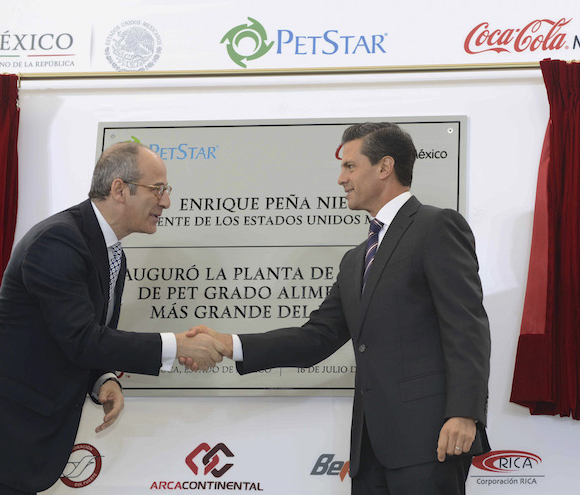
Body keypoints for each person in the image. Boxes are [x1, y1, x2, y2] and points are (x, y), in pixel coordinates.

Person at [187, 123, 491, 494]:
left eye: (349, 166)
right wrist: (228, 343)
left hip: (431, 440)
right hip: (369, 449)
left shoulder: (436, 226)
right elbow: (316, 338)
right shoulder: (355, 259)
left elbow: (466, 326)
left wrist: (464, 412)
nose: (340, 178)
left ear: (384, 167)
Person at [0, 142, 227, 495]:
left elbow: (81, 333)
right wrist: (176, 346)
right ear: (119, 189)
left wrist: (102, 378)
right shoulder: (58, 241)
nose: (166, 202)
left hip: (20, 426)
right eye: (158, 189)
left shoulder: (109, 250)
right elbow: (81, 340)